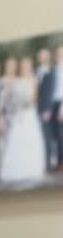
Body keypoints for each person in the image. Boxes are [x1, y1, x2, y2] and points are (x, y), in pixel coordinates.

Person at [0, 54, 47, 184]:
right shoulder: (17, 80)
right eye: (23, 65)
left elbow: (35, 97)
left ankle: (30, 168)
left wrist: (27, 102)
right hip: (18, 114)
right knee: (16, 139)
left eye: (27, 65)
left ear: (30, 66)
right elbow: (10, 97)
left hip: (29, 112)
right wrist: (16, 104)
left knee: (30, 139)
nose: (25, 67)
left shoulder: (34, 79)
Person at [36, 47, 55, 169]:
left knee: (46, 136)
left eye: (43, 55)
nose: (41, 57)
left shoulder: (51, 72)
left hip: (45, 110)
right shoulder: (34, 71)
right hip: (34, 109)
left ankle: (47, 162)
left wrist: (47, 109)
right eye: (39, 55)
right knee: (37, 135)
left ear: (48, 57)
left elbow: (51, 92)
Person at [52, 42, 63, 170]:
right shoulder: (53, 69)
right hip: (52, 104)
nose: (60, 55)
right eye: (58, 53)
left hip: (61, 103)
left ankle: (61, 162)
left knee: (61, 134)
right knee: (55, 134)